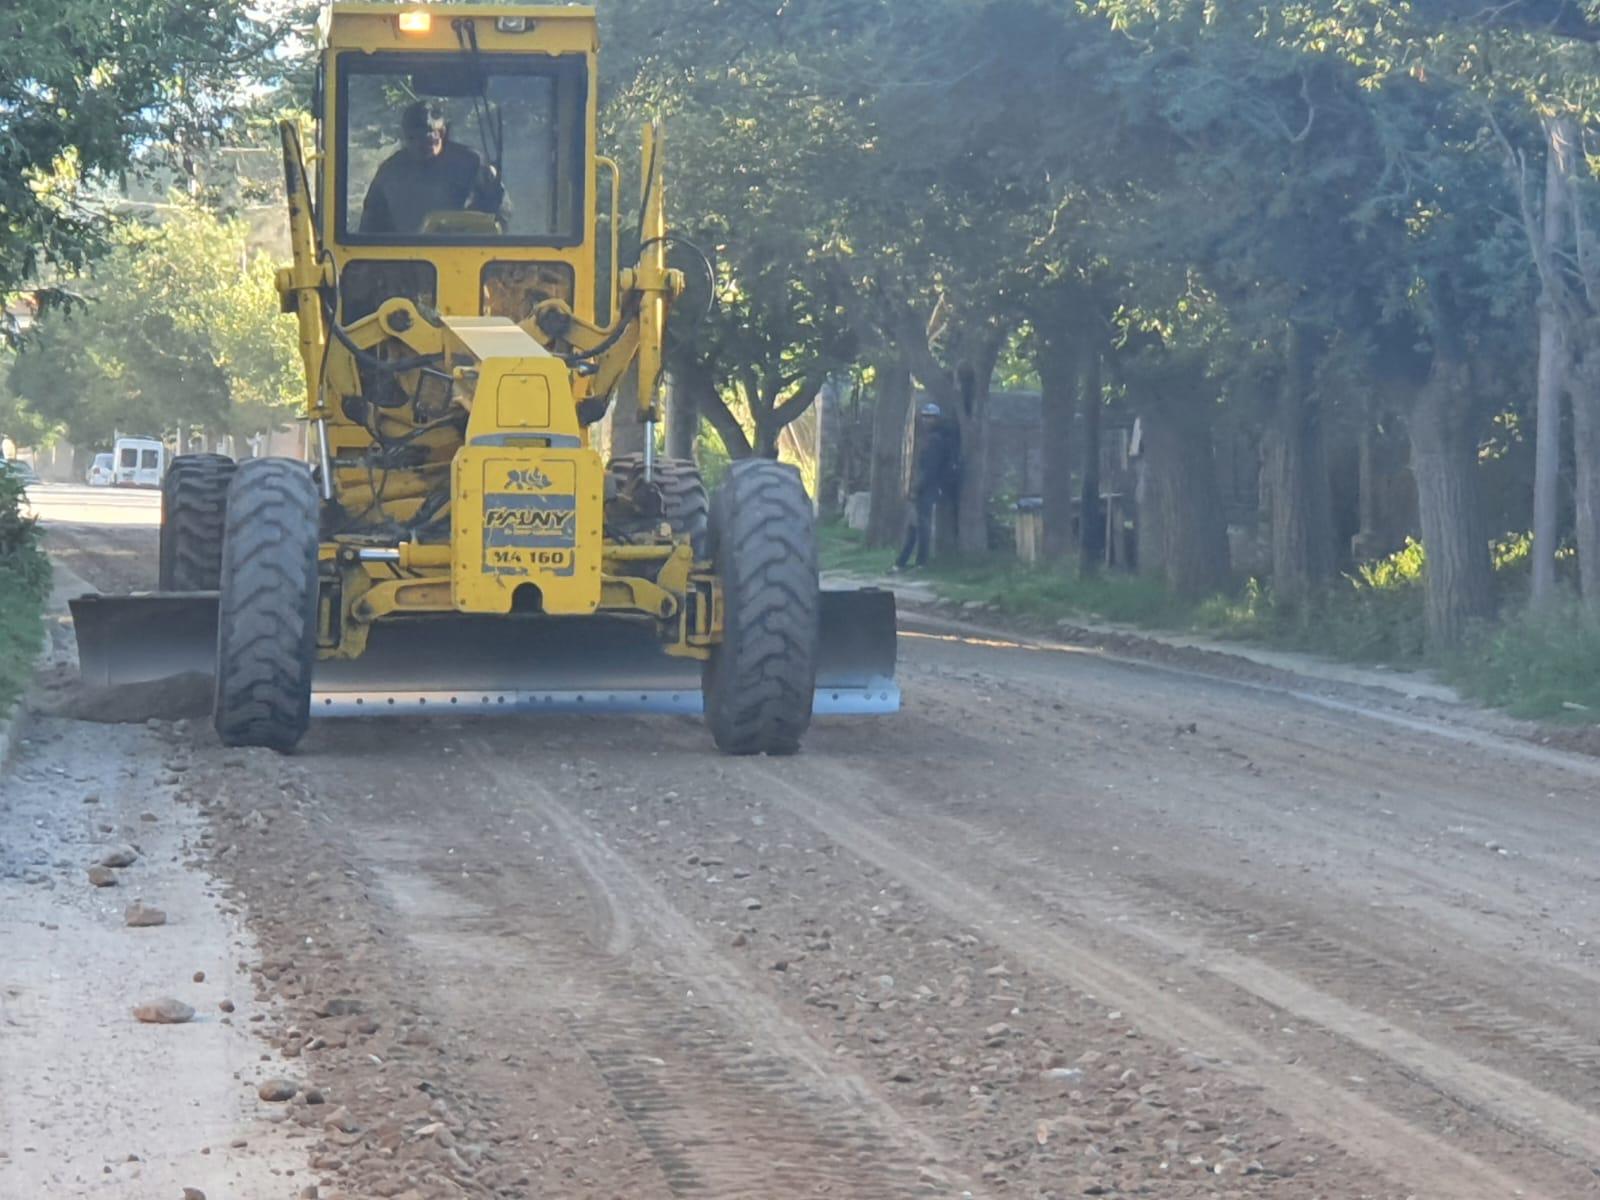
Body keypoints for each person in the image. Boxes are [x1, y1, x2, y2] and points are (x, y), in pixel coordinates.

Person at [359, 101, 506, 235]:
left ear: (441, 133)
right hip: (406, 258)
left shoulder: (472, 163)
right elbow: (370, 224)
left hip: (465, 250)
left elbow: (502, 210)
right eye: (412, 138)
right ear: (404, 137)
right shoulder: (389, 172)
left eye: (427, 138)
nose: (419, 145)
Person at [893, 402, 960, 571]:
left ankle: (919, 562)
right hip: (929, 487)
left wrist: (917, 488)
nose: (926, 421)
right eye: (924, 417)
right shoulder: (935, 438)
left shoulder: (935, 440)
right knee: (915, 525)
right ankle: (902, 562)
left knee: (921, 526)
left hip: (928, 488)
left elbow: (930, 469)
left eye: (930, 417)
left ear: (937, 419)